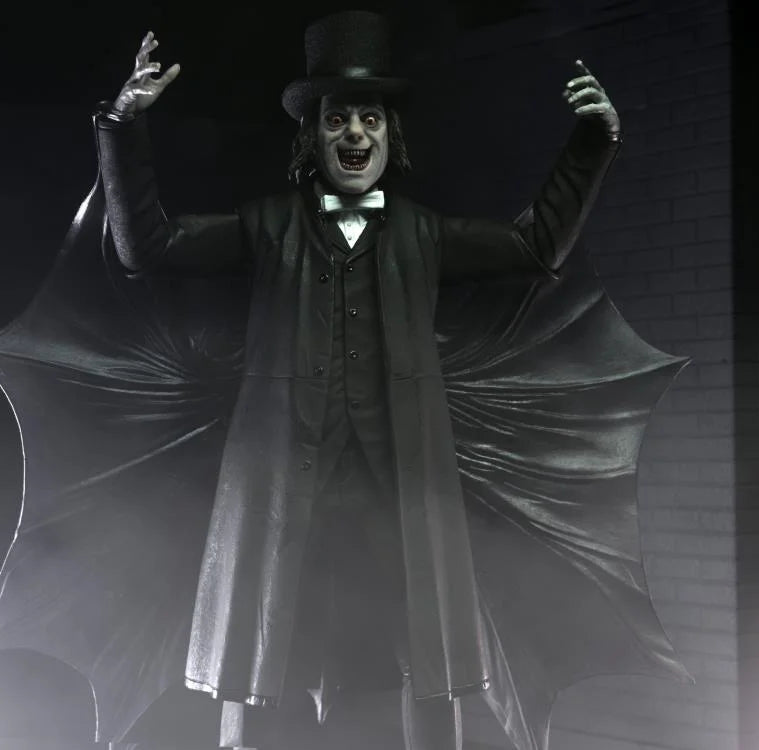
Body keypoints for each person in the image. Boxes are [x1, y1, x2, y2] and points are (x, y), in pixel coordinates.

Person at [92, 10, 624, 750]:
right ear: (312, 138)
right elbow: (144, 247)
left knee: (429, 664)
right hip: (284, 492)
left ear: (388, 136)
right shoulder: (269, 225)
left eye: (370, 119)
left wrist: (594, 141)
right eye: (337, 118)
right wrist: (122, 126)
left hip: (398, 496)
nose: (355, 133)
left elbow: (536, 245)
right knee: (258, 659)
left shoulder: (421, 232)